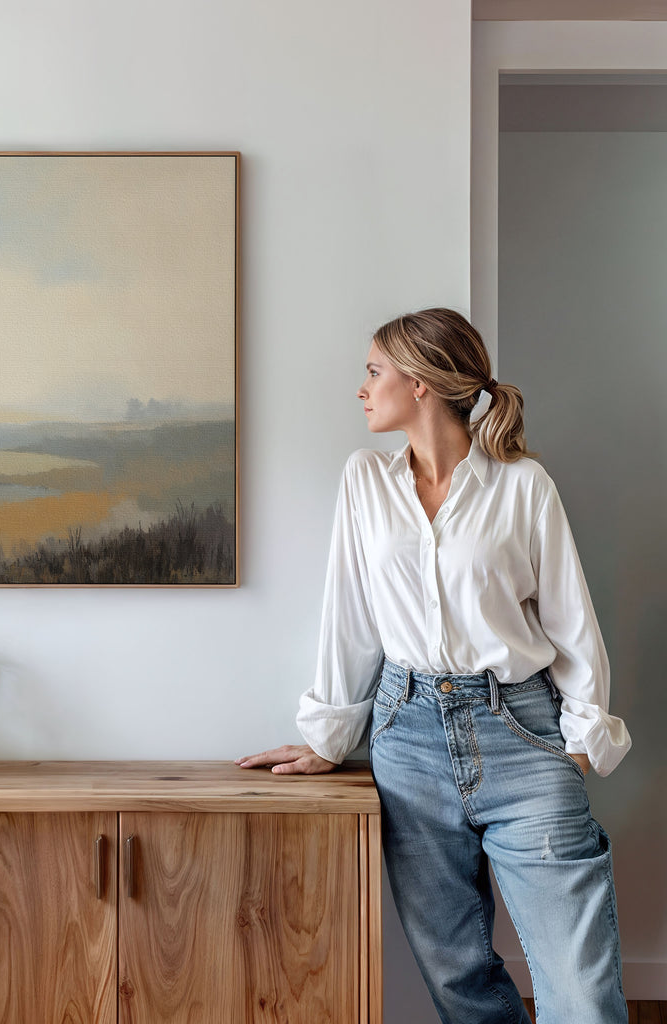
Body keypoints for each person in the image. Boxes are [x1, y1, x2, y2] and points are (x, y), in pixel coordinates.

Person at [237, 308, 631, 1024]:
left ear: (420, 384)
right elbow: (348, 617)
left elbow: (572, 622)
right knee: (458, 979)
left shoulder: (523, 486)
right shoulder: (365, 482)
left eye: (373, 371)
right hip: (406, 735)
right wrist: (330, 737)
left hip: (522, 730)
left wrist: (578, 741)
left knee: (580, 989)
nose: (362, 388)